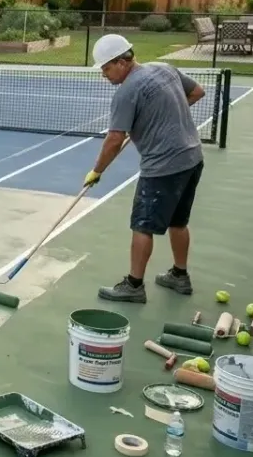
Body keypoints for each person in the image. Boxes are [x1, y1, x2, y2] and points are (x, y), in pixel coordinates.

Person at [84, 34, 206, 304]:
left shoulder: (126, 92)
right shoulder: (164, 68)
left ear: (121, 62)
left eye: (106, 68)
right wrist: (163, 115)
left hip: (163, 167)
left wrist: (97, 171)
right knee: (178, 221)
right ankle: (180, 276)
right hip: (192, 159)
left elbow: (114, 140)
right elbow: (198, 92)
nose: (104, 74)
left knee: (142, 225)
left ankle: (134, 286)